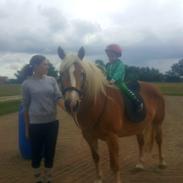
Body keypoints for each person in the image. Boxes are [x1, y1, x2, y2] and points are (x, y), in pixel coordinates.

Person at [22, 55, 65, 183]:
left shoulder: (52, 80)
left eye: (47, 64)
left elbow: (58, 98)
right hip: (35, 124)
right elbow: (26, 107)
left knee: (50, 152)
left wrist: (68, 109)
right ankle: (38, 178)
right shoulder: (26, 84)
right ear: (36, 66)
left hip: (52, 122)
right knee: (36, 153)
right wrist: (27, 128)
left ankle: (48, 177)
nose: (48, 66)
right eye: (45, 64)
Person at [105, 43, 143, 112]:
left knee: (124, 89)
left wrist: (113, 80)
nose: (110, 57)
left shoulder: (120, 64)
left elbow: (118, 73)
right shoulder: (108, 65)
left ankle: (137, 102)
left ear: (117, 56)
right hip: (108, 82)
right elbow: (106, 73)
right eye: (109, 56)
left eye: (112, 56)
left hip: (118, 82)